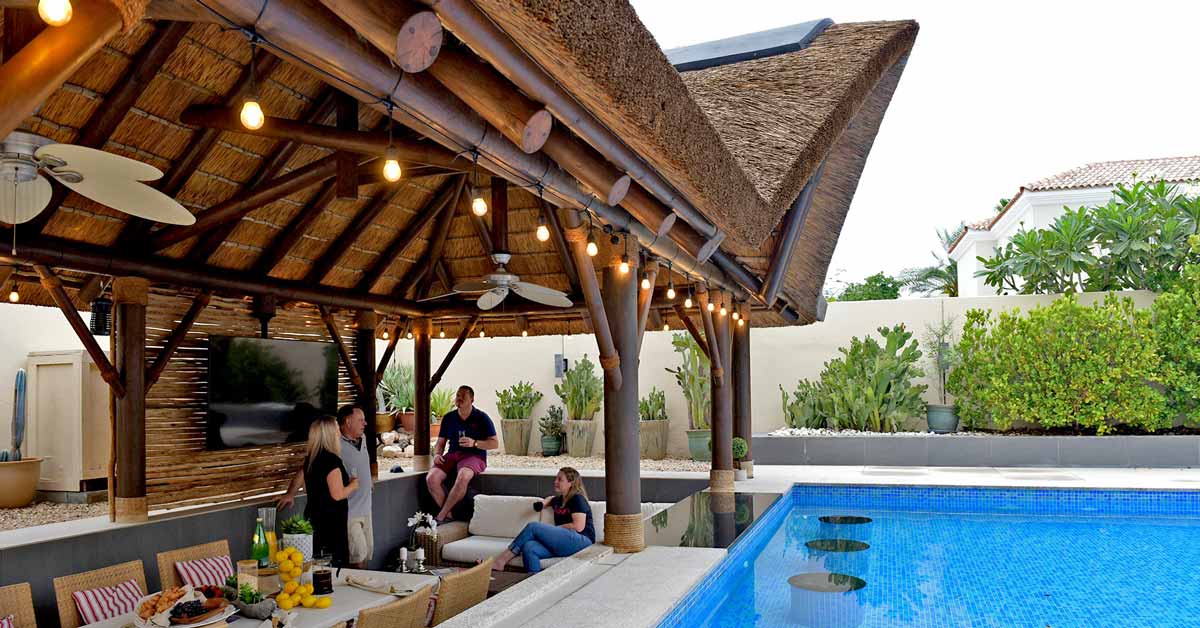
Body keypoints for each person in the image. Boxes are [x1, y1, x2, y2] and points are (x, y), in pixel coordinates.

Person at [278, 406, 373, 567]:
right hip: (336, 520)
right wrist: (353, 485)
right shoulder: (331, 458)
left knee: (326, 563)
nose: (338, 431)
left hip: (322, 517)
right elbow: (337, 494)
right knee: (345, 562)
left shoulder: (314, 458)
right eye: (335, 428)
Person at [491, 467, 594, 573]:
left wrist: (553, 530)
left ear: (571, 483)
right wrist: (543, 503)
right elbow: (549, 500)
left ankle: (501, 561)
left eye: (560, 479)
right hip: (563, 542)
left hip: (582, 541)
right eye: (556, 479)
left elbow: (578, 526)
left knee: (533, 527)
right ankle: (533, 580)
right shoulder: (558, 500)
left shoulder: (577, 499)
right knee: (529, 547)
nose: (555, 482)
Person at [425, 385, 498, 522]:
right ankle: (450, 515)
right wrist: (437, 455)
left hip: (474, 456)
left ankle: (441, 516)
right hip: (453, 455)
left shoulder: (482, 418)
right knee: (431, 478)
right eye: (458, 395)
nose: (459, 398)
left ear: (472, 399)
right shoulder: (449, 418)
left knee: (463, 476)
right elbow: (440, 443)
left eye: (463, 395)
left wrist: (475, 443)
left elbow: (494, 443)